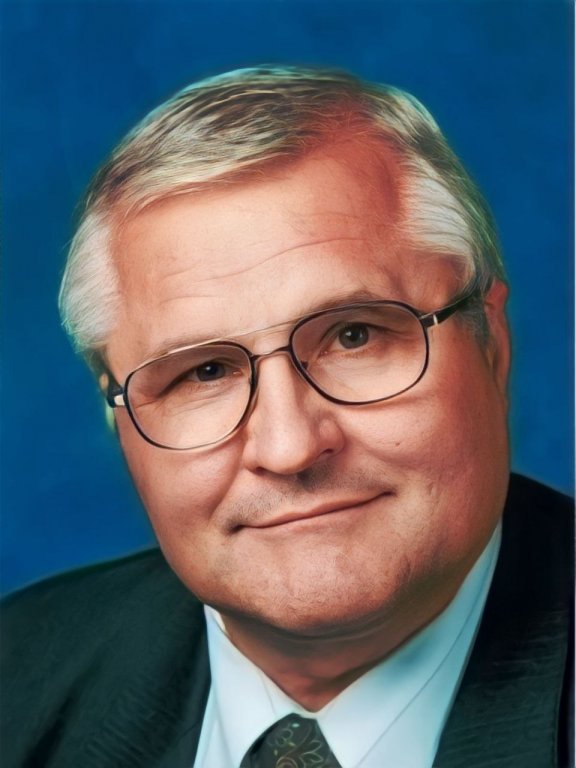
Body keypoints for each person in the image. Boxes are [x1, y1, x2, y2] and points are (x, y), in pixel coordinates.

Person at [2, 66, 572, 768]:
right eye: (204, 372)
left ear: (492, 345)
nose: (290, 446)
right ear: (119, 420)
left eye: (355, 336)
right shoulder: (17, 677)